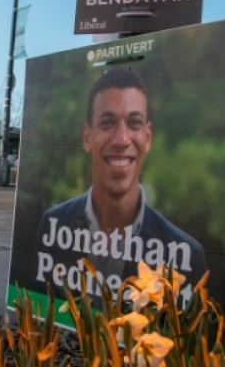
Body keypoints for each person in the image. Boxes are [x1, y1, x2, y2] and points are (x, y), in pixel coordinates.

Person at [23, 68, 206, 299]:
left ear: (147, 138)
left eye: (134, 123)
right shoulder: (53, 223)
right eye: (108, 123)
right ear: (88, 138)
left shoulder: (187, 253)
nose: (121, 140)